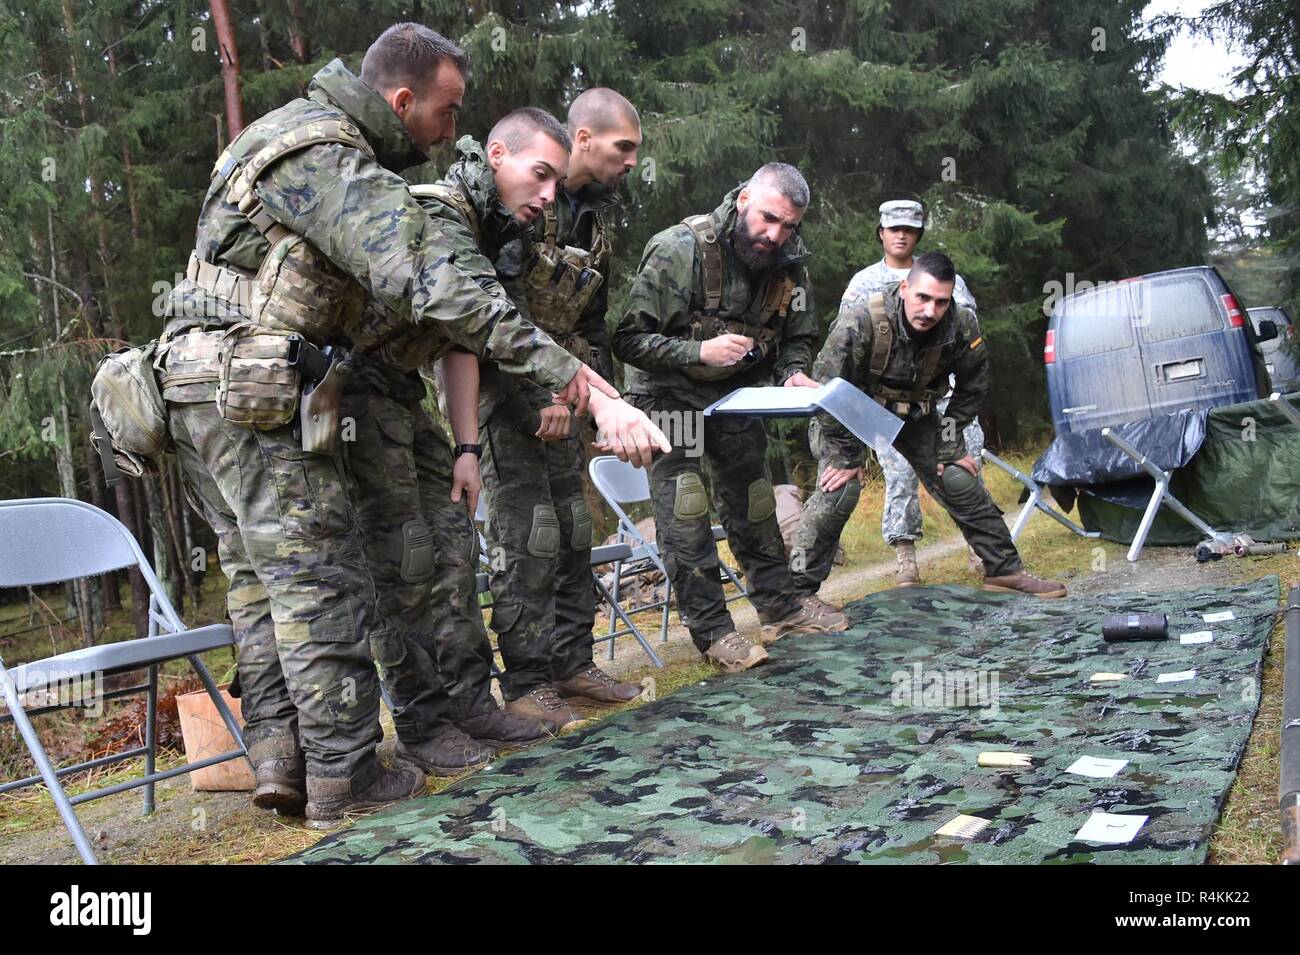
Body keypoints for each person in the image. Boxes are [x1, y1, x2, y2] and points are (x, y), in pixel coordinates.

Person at [159, 25, 662, 828]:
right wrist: (589, 389)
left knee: (269, 581)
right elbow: (435, 286)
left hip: (239, 380)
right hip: (247, 385)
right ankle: (342, 774)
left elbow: (451, 327)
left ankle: (288, 761)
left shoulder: (323, 146)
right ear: (402, 100)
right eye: (448, 109)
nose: (452, 128)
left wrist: (468, 440)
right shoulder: (324, 154)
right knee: (318, 578)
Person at [440, 91, 647, 734]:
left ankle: (572, 663)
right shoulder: (514, 210)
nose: (633, 162)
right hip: (506, 400)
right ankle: (528, 682)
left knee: (573, 530)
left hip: (568, 395)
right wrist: (540, 398)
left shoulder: (594, 223)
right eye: (624, 147)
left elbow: (590, 324)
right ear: (583, 138)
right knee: (527, 539)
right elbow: (489, 320)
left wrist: (588, 401)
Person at [613, 164, 850, 674]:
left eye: (789, 226)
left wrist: (791, 373)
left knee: (756, 501)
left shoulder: (788, 263)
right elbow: (628, 340)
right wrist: (699, 351)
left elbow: (799, 336)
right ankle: (716, 633)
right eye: (768, 219)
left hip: (735, 399)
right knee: (686, 510)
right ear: (743, 199)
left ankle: (781, 609)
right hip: (666, 396)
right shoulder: (679, 248)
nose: (775, 235)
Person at [789, 251, 1067, 600]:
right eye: (922, 297)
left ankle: (1005, 570)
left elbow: (973, 384)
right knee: (840, 489)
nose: (930, 311)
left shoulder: (961, 324)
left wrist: (951, 442)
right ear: (905, 288)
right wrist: (846, 458)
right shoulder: (861, 320)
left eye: (940, 302)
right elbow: (826, 389)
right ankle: (796, 597)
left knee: (958, 477)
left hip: (915, 414)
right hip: (850, 411)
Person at [853, 200, 985, 585]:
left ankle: (980, 549)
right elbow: (850, 342)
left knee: (964, 466)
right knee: (899, 476)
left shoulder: (951, 281)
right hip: (891, 403)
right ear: (881, 232)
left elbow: (967, 334)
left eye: (909, 229)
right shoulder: (863, 284)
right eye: (893, 228)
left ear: (918, 235)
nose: (900, 235)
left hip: (944, 398)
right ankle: (905, 559)